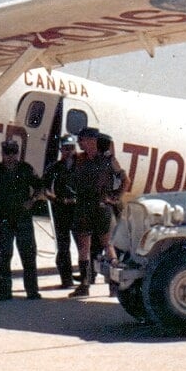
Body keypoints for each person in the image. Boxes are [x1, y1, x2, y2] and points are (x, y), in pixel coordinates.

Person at [0, 139, 43, 300]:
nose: (10, 156)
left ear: (17, 153)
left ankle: (32, 291)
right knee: (3, 256)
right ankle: (4, 292)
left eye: (13, 153)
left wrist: (33, 200)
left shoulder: (26, 169)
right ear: (2, 154)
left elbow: (39, 186)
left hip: (23, 217)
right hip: (4, 217)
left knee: (28, 255)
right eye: (7, 153)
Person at [68, 127, 124, 298]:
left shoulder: (108, 160)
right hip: (84, 206)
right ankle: (85, 285)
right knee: (84, 248)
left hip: (100, 206)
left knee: (108, 246)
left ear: (92, 140)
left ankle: (113, 285)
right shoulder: (78, 159)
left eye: (82, 139)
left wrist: (115, 198)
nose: (79, 143)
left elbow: (124, 178)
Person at [42, 134, 79, 288]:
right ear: (61, 150)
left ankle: (86, 278)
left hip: (79, 211)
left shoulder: (83, 166)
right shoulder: (55, 168)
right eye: (65, 149)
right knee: (63, 246)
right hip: (61, 210)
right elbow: (44, 187)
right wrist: (55, 199)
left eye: (71, 148)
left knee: (84, 246)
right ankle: (66, 279)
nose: (68, 152)